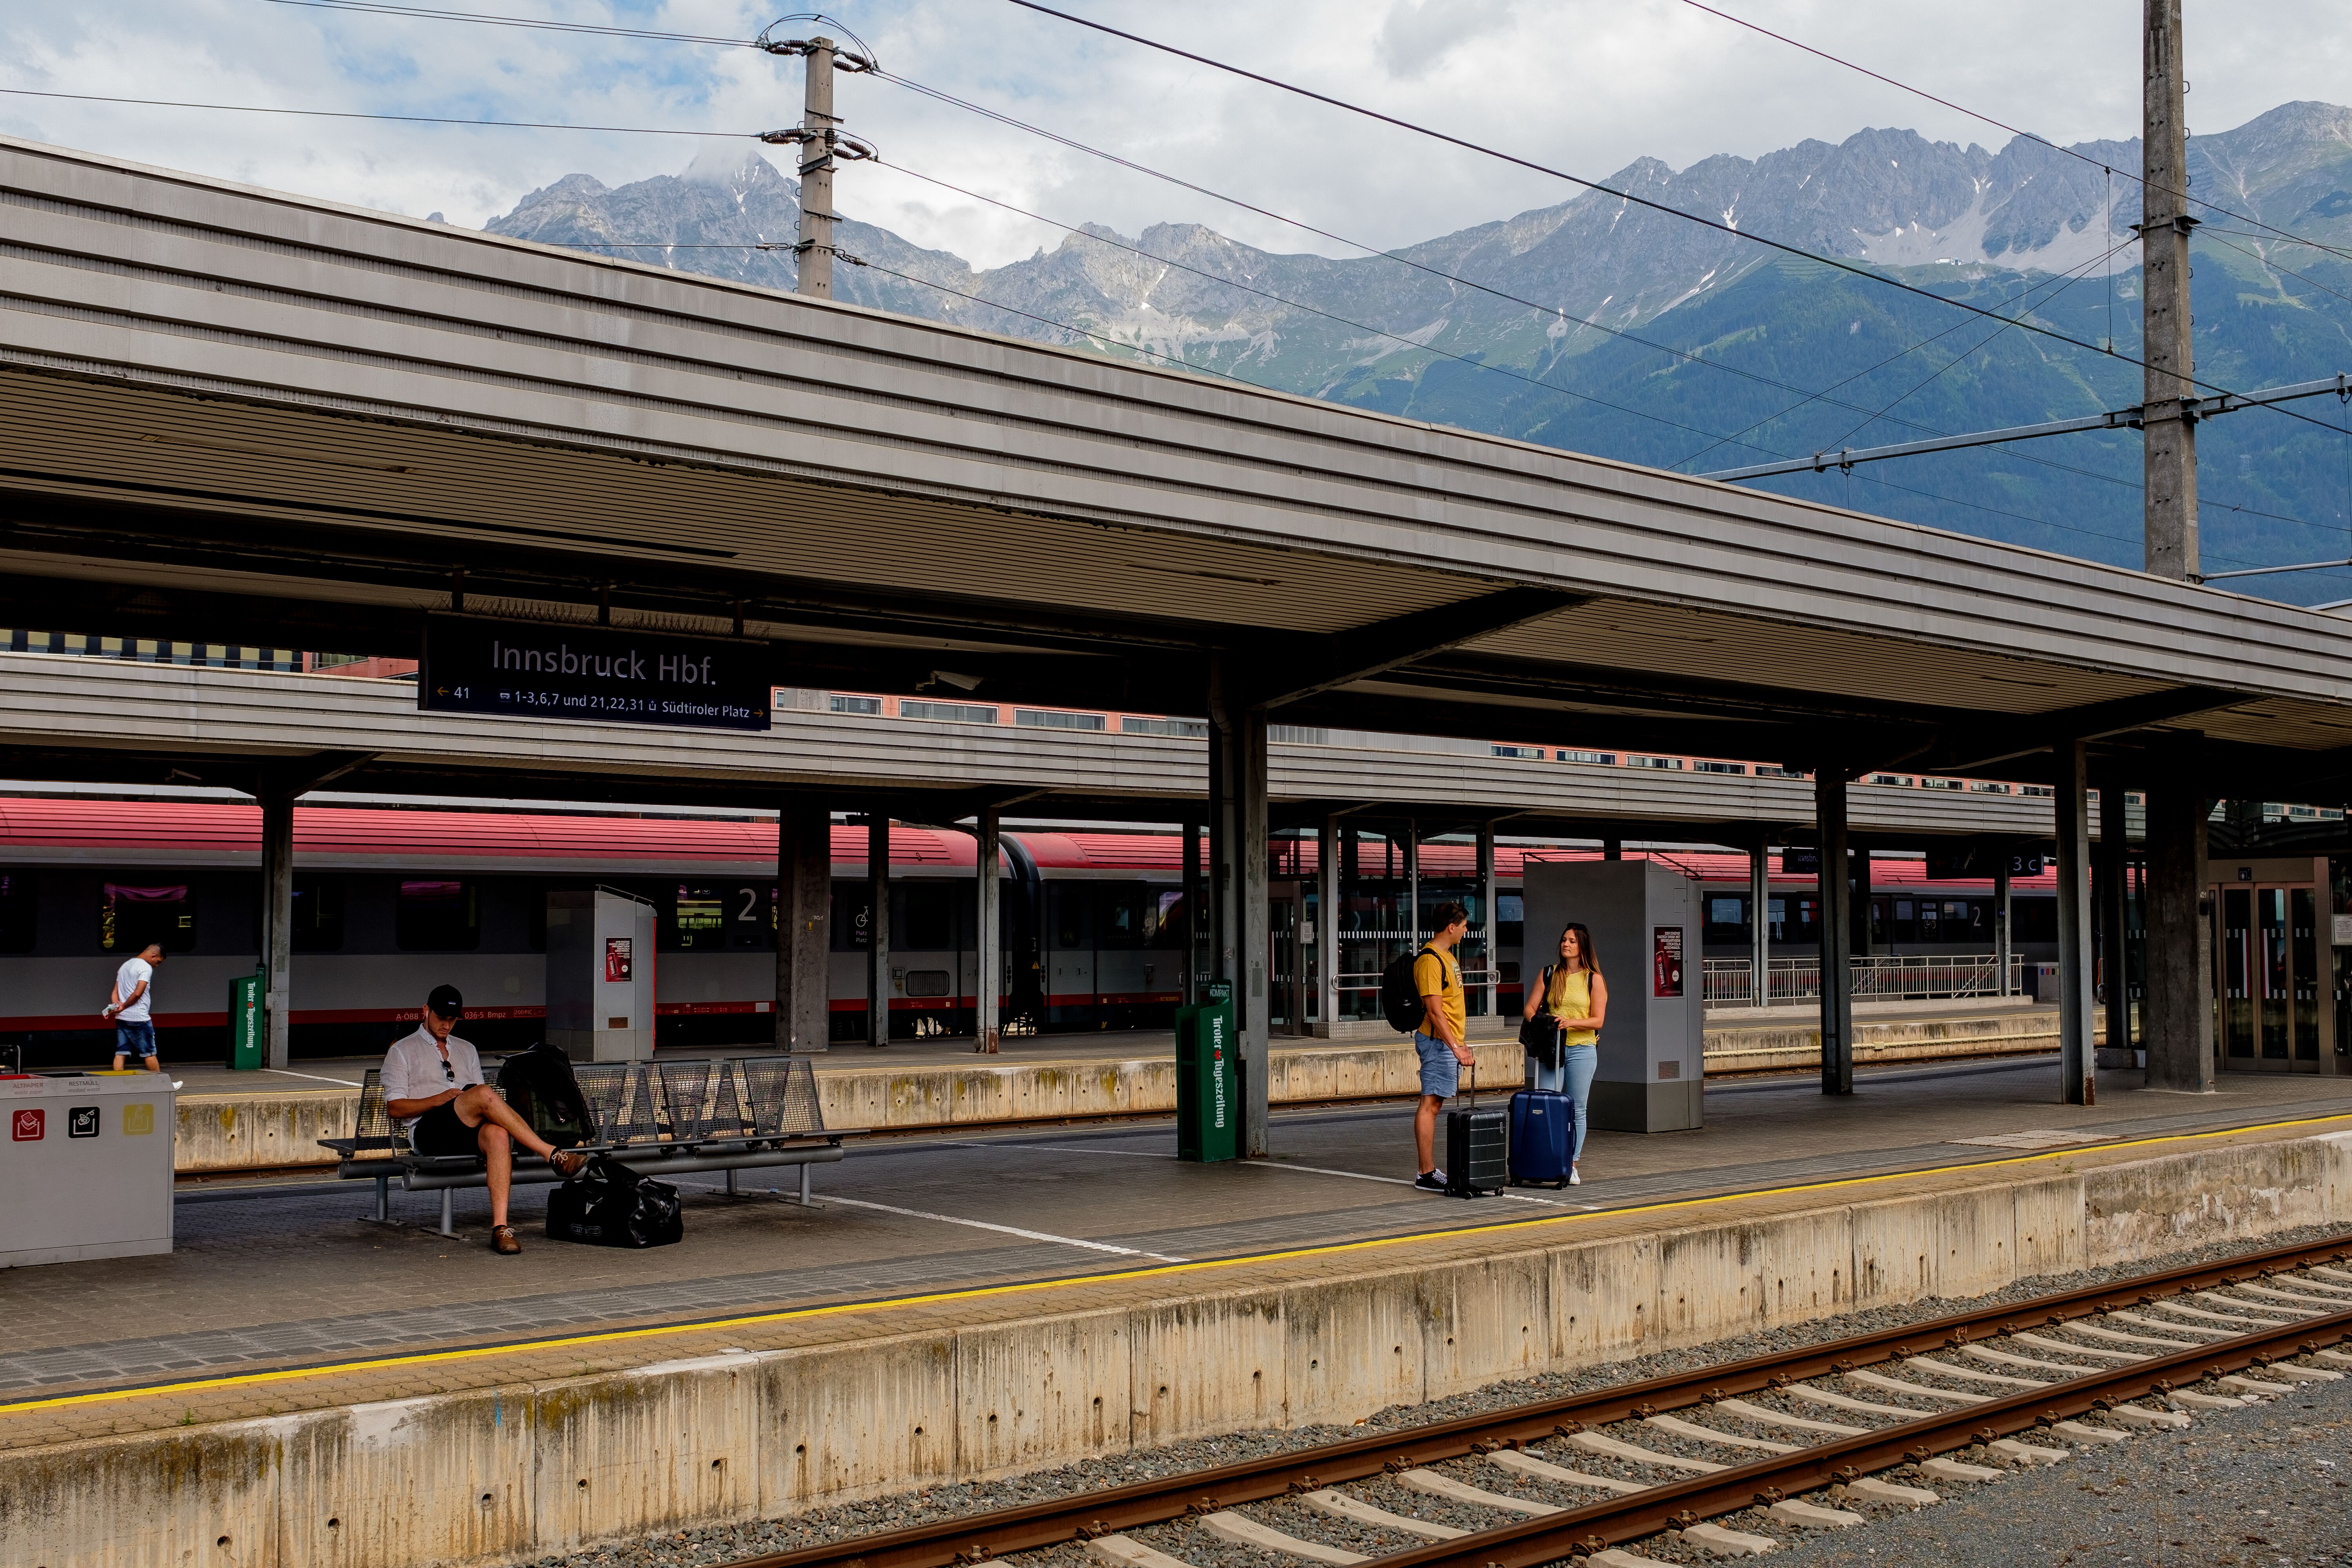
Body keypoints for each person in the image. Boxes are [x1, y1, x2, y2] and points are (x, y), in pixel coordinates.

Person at [383, 984, 588, 1255]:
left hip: (465, 1128)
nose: (446, 1025)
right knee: (481, 1094)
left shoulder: (467, 1049)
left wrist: (468, 1099)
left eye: (452, 1020)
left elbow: (485, 1101)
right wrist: (441, 1098)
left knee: (497, 1134)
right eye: (441, 1018)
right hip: (428, 1132)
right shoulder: (402, 1051)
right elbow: (395, 1108)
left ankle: (500, 1228)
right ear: (426, 1011)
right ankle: (552, 1155)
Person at [1521, 922, 1606, 1186]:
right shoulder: (1549, 974)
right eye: (1564, 940)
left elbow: (1598, 1021)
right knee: (1546, 1105)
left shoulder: (1594, 979)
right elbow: (1530, 1010)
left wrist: (1571, 1023)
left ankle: (1571, 1164)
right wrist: (1546, 1022)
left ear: (1582, 947)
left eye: (1571, 941)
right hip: (1552, 1048)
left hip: (1582, 1049)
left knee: (1577, 1109)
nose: (1566, 944)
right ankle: (1546, 1159)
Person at [1410, 901, 1475, 1192]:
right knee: (1431, 1104)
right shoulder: (1430, 960)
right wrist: (1455, 1048)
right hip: (1437, 1043)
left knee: (1434, 1103)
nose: (1465, 930)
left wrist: (1459, 1041)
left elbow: (1450, 1007)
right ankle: (1426, 1173)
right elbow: (1435, 1012)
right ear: (1451, 927)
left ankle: (1428, 1171)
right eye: (1463, 926)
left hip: (1447, 1042)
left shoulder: (1448, 957)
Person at [102, 942, 166, 1073]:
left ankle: (118, 1083)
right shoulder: (146, 968)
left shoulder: (126, 965)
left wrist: (117, 1006)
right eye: (158, 961)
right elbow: (138, 993)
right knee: (149, 1053)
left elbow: (115, 991)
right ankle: (162, 1085)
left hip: (122, 1018)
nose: (157, 966)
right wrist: (124, 1006)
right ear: (152, 956)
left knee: (121, 1052)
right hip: (139, 1019)